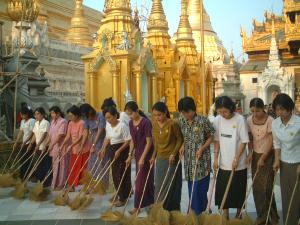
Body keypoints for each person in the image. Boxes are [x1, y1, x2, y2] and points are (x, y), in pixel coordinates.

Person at [213, 96, 249, 220]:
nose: (223, 114)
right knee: (223, 190)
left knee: (238, 190)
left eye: (225, 111)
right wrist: (216, 158)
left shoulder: (240, 120)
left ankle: (239, 214)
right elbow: (217, 140)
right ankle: (225, 214)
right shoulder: (218, 120)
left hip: (239, 164)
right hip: (224, 163)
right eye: (220, 111)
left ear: (231, 109)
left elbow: (244, 141)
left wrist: (236, 158)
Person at [177, 97, 214, 215]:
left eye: (187, 112)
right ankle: (194, 209)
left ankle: (199, 209)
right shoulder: (182, 120)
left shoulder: (203, 120)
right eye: (183, 112)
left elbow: (211, 136)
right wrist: (183, 145)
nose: (185, 115)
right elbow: (184, 137)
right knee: (191, 186)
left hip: (202, 160)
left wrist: (202, 148)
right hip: (189, 160)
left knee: (200, 188)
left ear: (193, 109)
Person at [247, 98, 279, 225]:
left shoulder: (271, 121)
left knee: (267, 187)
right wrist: (250, 153)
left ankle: (273, 216)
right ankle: (261, 216)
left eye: (258, 111)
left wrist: (263, 157)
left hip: (268, 155)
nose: (255, 114)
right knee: (257, 187)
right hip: (255, 155)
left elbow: (272, 141)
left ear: (263, 109)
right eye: (253, 111)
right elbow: (249, 137)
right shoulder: (249, 120)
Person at [272, 93, 300, 225]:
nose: (279, 112)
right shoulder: (275, 123)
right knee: (285, 195)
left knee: (297, 195)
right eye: (277, 109)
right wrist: (277, 160)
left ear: (290, 108)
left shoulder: (298, 122)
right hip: (284, 163)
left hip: (297, 163)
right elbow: (277, 143)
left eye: (282, 109)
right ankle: (288, 221)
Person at [151, 101, 183, 211]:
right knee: (160, 185)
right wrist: (153, 156)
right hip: (160, 159)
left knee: (172, 185)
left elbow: (180, 139)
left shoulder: (173, 124)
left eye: (159, 115)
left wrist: (174, 153)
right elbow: (156, 143)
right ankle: (160, 210)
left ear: (165, 112)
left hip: (172, 159)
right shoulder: (154, 124)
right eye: (155, 115)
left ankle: (173, 210)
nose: (157, 117)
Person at [125, 101, 154, 214]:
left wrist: (143, 158)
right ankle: (150, 202)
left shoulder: (146, 122)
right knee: (143, 179)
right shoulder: (131, 123)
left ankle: (137, 207)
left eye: (131, 113)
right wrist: (129, 155)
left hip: (146, 154)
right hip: (138, 154)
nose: (130, 116)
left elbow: (149, 142)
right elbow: (132, 140)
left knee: (141, 181)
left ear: (137, 111)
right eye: (128, 114)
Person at [99, 106, 132, 207]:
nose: (108, 120)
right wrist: (103, 148)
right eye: (106, 118)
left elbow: (128, 140)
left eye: (109, 117)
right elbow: (107, 137)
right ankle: (119, 194)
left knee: (121, 174)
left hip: (123, 151)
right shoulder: (108, 126)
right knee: (114, 174)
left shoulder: (122, 125)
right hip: (112, 150)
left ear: (115, 116)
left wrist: (119, 150)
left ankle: (123, 198)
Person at [61, 105, 89, 191]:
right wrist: (63, 144)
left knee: (83, 169)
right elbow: (68, 136)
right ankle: (71, 186)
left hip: (83, 149)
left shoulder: (82, 123)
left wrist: (71, 145)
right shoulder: (70, 123)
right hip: (74, 150)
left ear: (76, 115)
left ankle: (85, 187)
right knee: (73, 168)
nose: (70, 117)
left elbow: (81, 137)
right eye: (69, 116)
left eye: (71, 115)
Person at [81, 104, 109, 189]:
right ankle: (92, 185)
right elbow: (85, 132)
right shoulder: (86, 118)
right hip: (93, 141)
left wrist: (94, 145)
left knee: (102, 163)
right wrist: (82, 145)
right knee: (92, 164)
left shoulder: (101, 116)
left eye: (87, 115)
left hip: (102, 141)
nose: (87, 117)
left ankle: (103, 185)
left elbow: (100, 131)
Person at [27, 107, 51, 187]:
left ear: (42, 114)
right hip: (37, 147)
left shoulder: (46, 122)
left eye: (38, 114)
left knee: (45, 165)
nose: (36, 116)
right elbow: (34, 134)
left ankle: (46, 182)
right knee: (38, 164)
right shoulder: (36, 123)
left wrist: (38, 144)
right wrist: (31, 144)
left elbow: (44, 134)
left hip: (44, 147)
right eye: (35, 114)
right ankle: (41, 180)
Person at [47, 106, 68, 190]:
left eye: (53, 113)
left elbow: (60, 135)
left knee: (62, 165)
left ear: (58, 113)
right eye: (51, 113)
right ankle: (54, 183)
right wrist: (48, 144)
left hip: (61, 146)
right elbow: (50, 135)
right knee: (55, 165)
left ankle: (61, 184)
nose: (52, 115)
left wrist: (52, 144)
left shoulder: (63, 121)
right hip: (54, 146)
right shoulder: (52, 122)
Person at [13, 106, 35, 179]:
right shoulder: (22, 121)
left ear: (27, 114)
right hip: (24, 142)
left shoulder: (32, 120)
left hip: (30, 143)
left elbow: (32, 133)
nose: (21, 116)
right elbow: (21, 132)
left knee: (27, 159)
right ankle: (22, 175)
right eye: (21, 115)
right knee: (21, 159)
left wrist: (26, 141)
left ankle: (27, 175)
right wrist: (16, 142)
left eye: (22, 115)